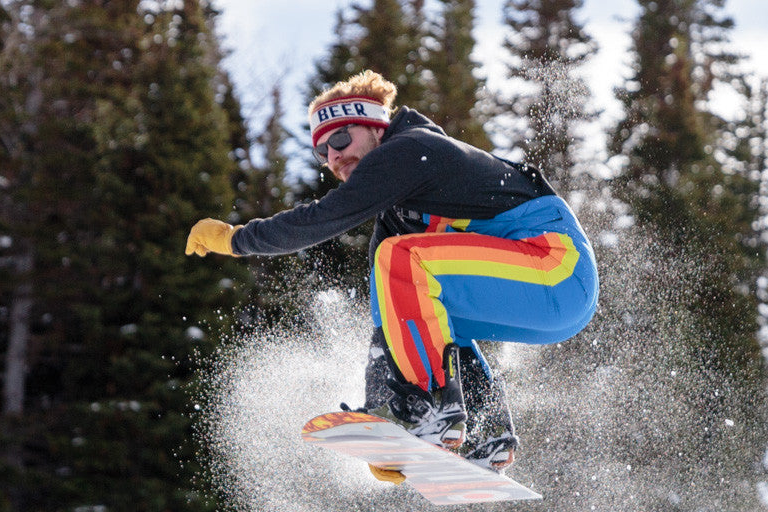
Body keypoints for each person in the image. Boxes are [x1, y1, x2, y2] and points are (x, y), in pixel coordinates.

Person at [183, 70, 597, 481]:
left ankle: (430, 407)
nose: (334, 157)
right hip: (545, 298)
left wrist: (237, 239)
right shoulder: (398, 215)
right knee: (416, 300)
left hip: (557, 267)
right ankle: (487, 434)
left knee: (400, 259)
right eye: (322, 151)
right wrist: (382, 423)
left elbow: (323, 218)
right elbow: (390, 323)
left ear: (375, 127)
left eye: (341, 139)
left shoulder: (410, 149)